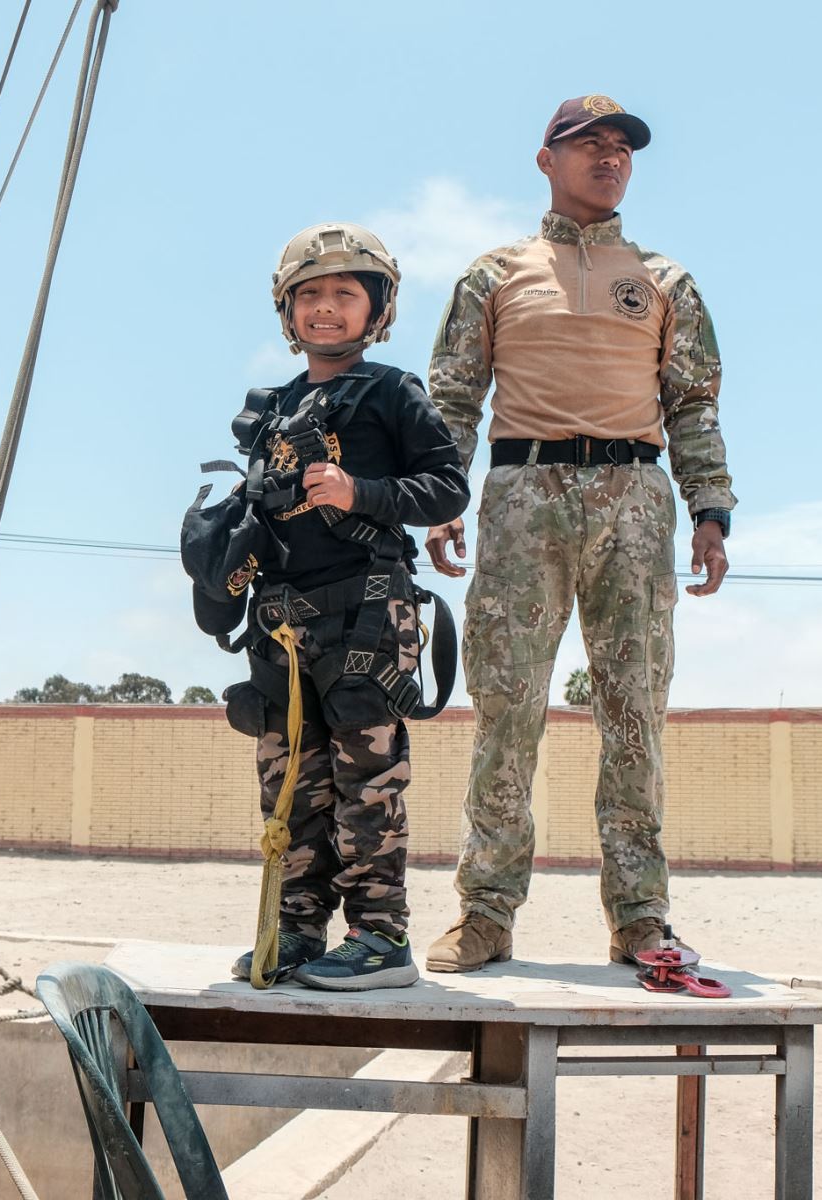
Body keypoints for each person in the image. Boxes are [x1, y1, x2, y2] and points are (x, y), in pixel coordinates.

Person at [422, 96, 736, 973]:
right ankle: (485, 912)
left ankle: (641, 918)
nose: (610, 158)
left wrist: (710, 509)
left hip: (636, 499)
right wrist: (442, 498)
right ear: (546, 161)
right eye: (589, 145)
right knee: (507, 708)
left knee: (634, 710)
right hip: (525, 495)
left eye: (621, 148)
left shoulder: (664, 279)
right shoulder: (495, 275)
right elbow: (452, 399)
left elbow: (693, 403)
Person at [184, 223, 468, 990]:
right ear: (287, 312)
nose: (326, 308)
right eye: (310, 294)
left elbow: (447, 486)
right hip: (282, 625)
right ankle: (299, 930)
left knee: (365, 782)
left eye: (346, 293)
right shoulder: (270, 407)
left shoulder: (390, 392)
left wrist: (361, 492)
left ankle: (379, 938)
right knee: (290, 785)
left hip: (370, 618)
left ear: (376, 311)